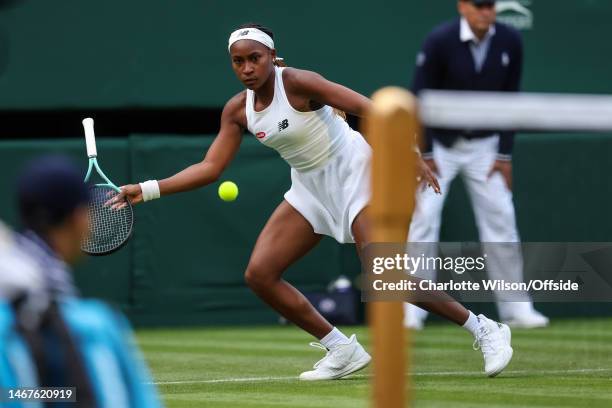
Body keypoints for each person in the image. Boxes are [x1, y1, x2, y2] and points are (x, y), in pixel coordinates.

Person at [112, 23, 514, 379]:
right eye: (238, 62)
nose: (247, 69)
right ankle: (342, 349)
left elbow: (369, 108)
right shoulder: (238, 111)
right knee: (260, 274)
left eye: (255, 59)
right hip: (309, 187)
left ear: (272, 57)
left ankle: (484, 329)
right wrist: (146, 189)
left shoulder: (300, 83)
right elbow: (210, 167)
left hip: (356, 173)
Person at [404, 0, 549, 330]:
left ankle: (516, 308)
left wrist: (504, 155)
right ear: (463, 6)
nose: (486, 11)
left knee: (502, 221)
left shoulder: (511, 40)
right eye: (479, 5)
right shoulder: (439, 40)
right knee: (423, 222)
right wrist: (424, 154)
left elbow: (511, 98)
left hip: (487, 147)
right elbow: (419, 97)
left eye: (490, 5)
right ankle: (411, 309)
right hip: (439, 148)